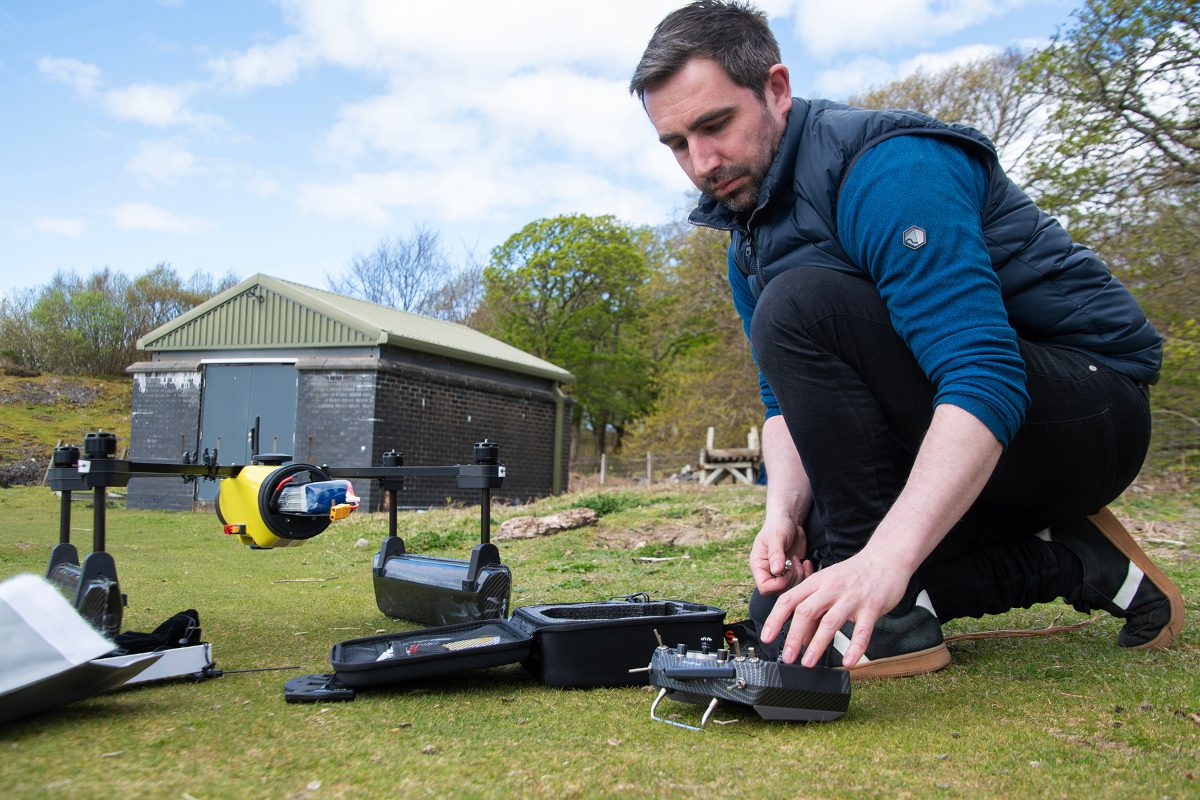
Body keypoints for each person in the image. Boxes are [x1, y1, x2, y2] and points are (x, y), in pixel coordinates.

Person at [630, 0, 1185, 679]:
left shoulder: (889, 170)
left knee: (800, 306)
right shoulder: (745, 240)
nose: (701, 163)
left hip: (1092, 411)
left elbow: (984, 374)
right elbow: (782, 407)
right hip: (970, 430)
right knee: (786, 611)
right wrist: (784, 515)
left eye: (716, 125)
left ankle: (893, 606)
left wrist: (883, 557)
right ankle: (1072, 558)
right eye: (677, 143)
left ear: (775, 89)